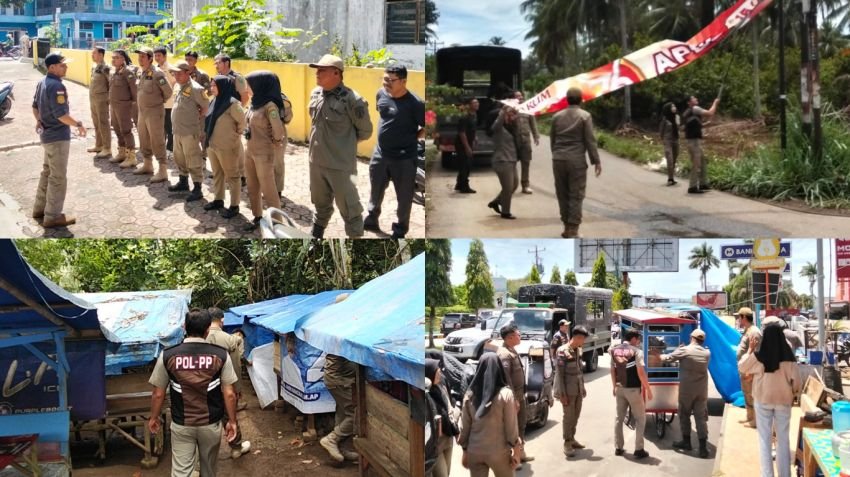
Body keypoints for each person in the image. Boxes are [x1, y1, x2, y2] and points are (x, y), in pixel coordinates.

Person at [147, 309, 240, 477]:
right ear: (207, 330)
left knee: (182, 472)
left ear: (184, 327)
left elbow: (158, 394)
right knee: (208, 470)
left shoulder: (168, 355)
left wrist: (154, 417)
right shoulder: (220, 355)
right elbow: (230, 394)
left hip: (182, 424)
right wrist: (232, 421)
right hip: (211, 424)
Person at [307, 54, 373, 238]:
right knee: (320, 205)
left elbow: (365, 132)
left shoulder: (353, 100)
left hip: (340, 166)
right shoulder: (316, 93)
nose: (317, 74)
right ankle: (316, 236)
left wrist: (343, 144)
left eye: (322, 70)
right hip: (316, 162)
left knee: (350, 210)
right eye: (317, 70)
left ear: (337, 73)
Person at [363, 65, 425, 239]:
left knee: (404, 198)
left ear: (403, 81)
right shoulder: (380, 94)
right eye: (384, 79)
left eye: (391, 80)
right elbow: (384, 116)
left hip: (404, 159)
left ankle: (399, 230)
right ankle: (371, 219)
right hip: (380, 154)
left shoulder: (416, 104)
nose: (386, 83)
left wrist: (415, 137)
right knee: (375, 190)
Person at [738, 324, 801, 477]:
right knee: (783, 440)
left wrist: (750, 350)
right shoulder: (790, 359)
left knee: (764, 441)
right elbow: (797, 383)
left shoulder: (759, 357)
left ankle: (767, 475)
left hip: (762, 401)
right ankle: (785, 474)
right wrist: (792, 394)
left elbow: (742, 367)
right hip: (783, 402)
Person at [31, 52, 86, 228]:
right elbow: (62, 115)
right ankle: (52, 216)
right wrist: (78, 124)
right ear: (52, 67)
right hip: (57, 139)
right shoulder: (56, 86)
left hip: (46, 136)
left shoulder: (42, 82)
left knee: (47, 173)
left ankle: (40, 209)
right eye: (62, 65)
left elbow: (34, 107)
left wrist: (39, 120)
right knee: (58, 177)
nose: (66, 67)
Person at [458, 352, 521, 477]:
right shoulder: (505, 394)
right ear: (499, 368)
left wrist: (465, 451)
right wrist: (516, 450)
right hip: (499, 452)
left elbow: (464, 428)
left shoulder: (470, 395)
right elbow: (511, 426)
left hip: (474, 451)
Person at [550, 87, 602, 238]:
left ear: (567, 99)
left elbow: (553, 139)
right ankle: (573, 230)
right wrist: (596, 161)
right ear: (581, 99)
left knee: (562, 194)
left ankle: (566, 227)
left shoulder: (556, 116)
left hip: (558, 159)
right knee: (576, 195)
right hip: (576, 160)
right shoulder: (585, 116)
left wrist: (556, 154)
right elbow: (590, 140)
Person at [243, 71, 287, 232]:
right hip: (250, 151)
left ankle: (277, 223)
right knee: (252, 186)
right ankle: (257, 217)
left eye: (250, 84)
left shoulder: (270, 106)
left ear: (259, 86)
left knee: (269, 190)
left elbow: (279, 131)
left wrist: (275, 143)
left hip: (263, 154)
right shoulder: (255, 103)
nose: (247, 88)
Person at [206, 307, 251, 459]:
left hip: (203, 387)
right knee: (230, 416)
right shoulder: (229, 339)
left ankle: (205, 453)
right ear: (222, 320)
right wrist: (237, 388)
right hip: (225, 386)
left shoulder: (200, 338)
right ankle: (236, 447)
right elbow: (236, 367)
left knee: (206, 418)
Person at [661, 328, 711, 458]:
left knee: (684, 414)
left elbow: (668, 358)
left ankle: (686, 442)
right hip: (701, 390)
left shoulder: (685, 350)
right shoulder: (707, 352)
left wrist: (658, 354)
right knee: (700, 418)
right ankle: (703, 448)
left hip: (687, 390)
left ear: (692, 338)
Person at [203, 75, 246, 218]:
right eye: (211, 85)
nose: (211, 88)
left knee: (233, 176)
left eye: (214, 85)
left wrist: (234, 136)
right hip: (213, 145)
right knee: (217, 173)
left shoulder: (233, 104)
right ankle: (218, 200)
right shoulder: (214, 100)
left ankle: (234, 206)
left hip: (227, 147)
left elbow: (243, 122)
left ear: (223, 86)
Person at [166, 60, 208, 201]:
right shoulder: (179, 86)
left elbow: (205, 108)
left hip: (190, 131)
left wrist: (195, 119)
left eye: (179, 73)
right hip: (177, 130)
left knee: (193, 159)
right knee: (180, 158)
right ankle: (183, 182)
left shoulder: (196, 89)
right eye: (174, 73)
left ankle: (197, 188)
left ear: (187, 72)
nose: (176, 76)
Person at [610, 329, 653, 459]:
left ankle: (618, 447)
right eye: (638, 339)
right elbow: (640, 372)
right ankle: (639, 449)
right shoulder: (637, 351)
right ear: (633, 339)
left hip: (619, 388)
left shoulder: (614, 350)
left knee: (619, 418)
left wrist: (614, 386)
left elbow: (612, 370)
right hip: (633, 389)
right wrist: (648, 389)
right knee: (640, 418)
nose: (639, 342)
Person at [132, 46, 172, 182]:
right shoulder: (141, 72)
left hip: (155, 112)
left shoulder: (158, 74)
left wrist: (157, 102)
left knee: (157, 140)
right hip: (142, 112)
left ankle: (162, 170)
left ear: (150, 59)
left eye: (143, 57)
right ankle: (148, 164)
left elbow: (168, 92)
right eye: (139, 57)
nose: (140, 59)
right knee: (143, 138)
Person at [497, 323, 533, 466]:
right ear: (510, 337)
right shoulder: (504, 354)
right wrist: (513, 399)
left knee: (521, 424)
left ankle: (521, 453)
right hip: (513, 397)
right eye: (518, 334)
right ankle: (512, 458)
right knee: (513, 428)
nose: (520, 336)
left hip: (519, 395)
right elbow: (506, 379)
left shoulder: (511, 350)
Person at [214, 54, 250, 186]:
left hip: (233, 116)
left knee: (236, 145)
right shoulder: (219, 78)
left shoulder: (237, 78)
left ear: (227, 63)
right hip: (221, 118)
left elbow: (244, 96)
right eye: (215, 63)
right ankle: (225, 172)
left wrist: (238, 113)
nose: (216, 65)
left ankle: (241, 175)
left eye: (218, 63)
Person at [554, 325, 588, 457]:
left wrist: (583, 387)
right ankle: (567, 442)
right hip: (567, 391)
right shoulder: (562, 351)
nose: (583, 341)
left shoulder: (578, 350)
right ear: (577, 337)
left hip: (577, 389)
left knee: (576, 416)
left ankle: (572, 438)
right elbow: (559, 375)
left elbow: (579, 371)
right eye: (582, 339)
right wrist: (562, 394)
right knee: (568, 417)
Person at [320, 354, 359, 463]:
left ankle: (341, 448)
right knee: (356, 413)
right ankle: (332, 439)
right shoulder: (346, 337)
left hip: (338, 378)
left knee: (343, 412)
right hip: (340, 380)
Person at [426, 358, 459, 477]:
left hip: (448, 435)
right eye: (436, 370)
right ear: (429, 374)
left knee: (447, 472)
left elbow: (450, 405)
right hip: (435, 443)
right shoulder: (427, 395)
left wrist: (456, 431)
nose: (440, 371)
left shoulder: (442, 385)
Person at [487, 105, 521, 220]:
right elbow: (498, 123)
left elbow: (518, 128)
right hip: (502, 160)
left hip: (511, 160)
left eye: (512, 114)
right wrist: (503, 111)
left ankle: (496, 201)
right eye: (509, 114)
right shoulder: (498, 128)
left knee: (514, 185)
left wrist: (516, 115)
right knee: (507, 188)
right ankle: (505, 212)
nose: (512, 116)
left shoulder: (511, 127)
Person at [682, 95, 719, 194]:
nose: (696, 99)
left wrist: (706, 124)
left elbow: (695, 125)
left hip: (693, 141)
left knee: (702, 161)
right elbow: (710, 113)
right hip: (694, 141)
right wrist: (715, 103)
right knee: (696, 163)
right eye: (694, 98)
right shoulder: (695, 108)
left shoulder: (688, 112)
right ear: (689, 102)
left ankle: (703, 183)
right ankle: (692, 186)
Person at [108, 49, 137, 166]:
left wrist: (133, 105)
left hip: (124, 106)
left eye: (116, 58)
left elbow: (134, 90)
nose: (113, 60)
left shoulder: (128, 72)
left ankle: (131, 157)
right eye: (112, 57)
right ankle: (122, 152)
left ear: (123, 59)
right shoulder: (115, 71)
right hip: (114, 105)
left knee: (126, 130)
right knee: (117, 128)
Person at [736, 306, 762, 428]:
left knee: (752, 395)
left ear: (744, 317)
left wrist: (750, 372)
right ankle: (749, 416)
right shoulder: (748, 330)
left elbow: (755, 354)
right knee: (747, 394)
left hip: (750, 371)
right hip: (745, 369)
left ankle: (755, 420)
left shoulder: (754, 332)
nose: (738, 320)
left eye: (739, 317)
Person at [86, 46, 112, 159]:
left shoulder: (105, 68)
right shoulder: (95, 67)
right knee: (96, 123)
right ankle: (99, 145)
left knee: (103, 123)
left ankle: (107, 148)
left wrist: (108, 98)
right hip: (93, 99)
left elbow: (111, 83)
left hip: (102, 99)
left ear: (101, 55)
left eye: (94, 53)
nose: (92, 55)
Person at [514, 91, 539, 194]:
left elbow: (533, 123)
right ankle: (511, 185)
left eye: (521, 95)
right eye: (517, 96)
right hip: (513, 141)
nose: (520, 97)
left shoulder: (528, 108)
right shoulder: (510, 109)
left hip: (525, 140)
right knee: (511, 163)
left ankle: (525, 185)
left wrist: (535, 136)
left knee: (526, 163)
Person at [154, 46, 177, 158]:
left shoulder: (171, 69)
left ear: (165, 56)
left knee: (169, 127)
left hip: (168, 103)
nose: (157, 58)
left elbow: (173, 84)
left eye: (159, 55)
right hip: (158, 103)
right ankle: (161, 148)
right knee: (159, 127)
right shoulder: (155, 68)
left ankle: (170, 149)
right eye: (155, 56)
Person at [454, 97, 478, 194]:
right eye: (474, 103)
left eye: (477, 102)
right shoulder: (465, 117)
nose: (477, 104)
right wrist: (467, 147)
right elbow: (462, 133)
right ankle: (464, 187)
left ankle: (459, 184)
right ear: (469, 105)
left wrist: (475, 138)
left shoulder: (474, 115)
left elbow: (472, 129)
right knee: (465, 165)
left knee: (466, 164)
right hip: (462, 144)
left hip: (469, 142)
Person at [659, 101, 680, 186]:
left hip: (676, 140)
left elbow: (678, 128)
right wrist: (663, 140)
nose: (674, 108)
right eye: (672, 107)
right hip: (667, 141)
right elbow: (661, 131)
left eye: (674, 106)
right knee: (670, 159)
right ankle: (670, 179)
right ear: (668, 109)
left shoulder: (677, 117)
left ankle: (672, 177)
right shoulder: (664, 119)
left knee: (674, 159)